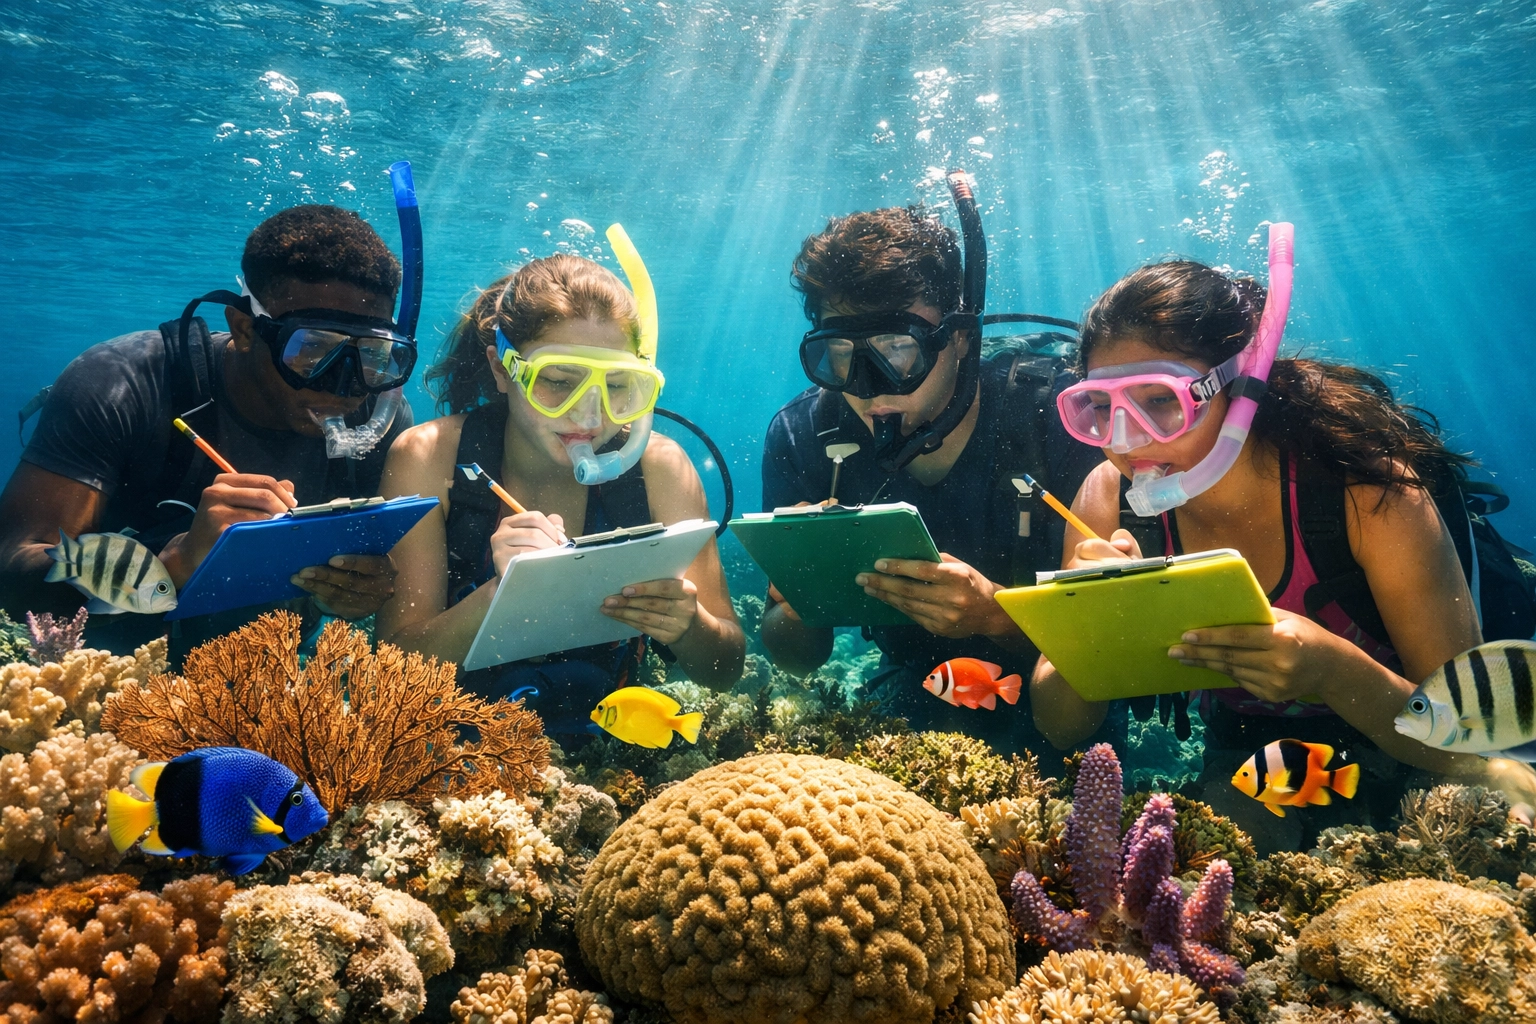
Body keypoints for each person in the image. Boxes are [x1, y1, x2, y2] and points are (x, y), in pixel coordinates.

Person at [1031, 255, 1536, 848]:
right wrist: (1090, 626)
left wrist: (1329, 667)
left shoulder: (1368, 494)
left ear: (1241, 388)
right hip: (1257, 757)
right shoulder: (1105, 500)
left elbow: (1471, 740)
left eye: (1161, 400)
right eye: (1099, 407)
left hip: (1411, 745)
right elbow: (1060, 726)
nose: (1124, 439)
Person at [760, 200, 1107, 753]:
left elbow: (1108, 643)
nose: (868, 386)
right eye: (839, 355)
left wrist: (993, 615)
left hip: (1071, 694)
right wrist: (799, 593)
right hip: (916, 688)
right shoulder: (804, 439)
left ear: (961, 337)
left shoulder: (1060, 418)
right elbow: (794, 654)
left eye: (898, 349)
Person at [0, 203, 419, 655]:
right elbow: (11, 568)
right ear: (243, 328)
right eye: (313, 349)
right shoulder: (120, 383)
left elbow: (371, 567)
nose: (346, 384)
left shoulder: (384, 416)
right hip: (101, 672)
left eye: (374, 354)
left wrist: (360, 589)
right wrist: (176, 561)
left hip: (266, 684)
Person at [376, 251, 743, 735]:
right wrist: (500, 596)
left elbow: (724, 668)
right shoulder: (428, 457)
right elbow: (391, 673)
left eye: (617, 386)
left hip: (611, 751)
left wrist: (690, 625)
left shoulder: (661, 468)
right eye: (557, 382)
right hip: (448, 759)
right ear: (502, 369)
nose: (589, 418)